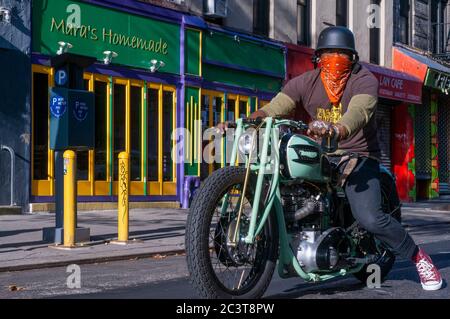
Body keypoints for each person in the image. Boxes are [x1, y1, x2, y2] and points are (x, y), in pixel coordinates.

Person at [217, 26, 442, 291]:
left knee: (370, 217)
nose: (334, 61)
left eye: (342, 55)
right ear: (318, 59)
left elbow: (361, 110)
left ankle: (419, 258)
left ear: (353, 60)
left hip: (358, 156)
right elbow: (277, 106)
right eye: (328, 55)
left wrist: (340, 128)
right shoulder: (305, 82)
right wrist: (252, 119)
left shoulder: (364, 80)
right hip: (321, 155)